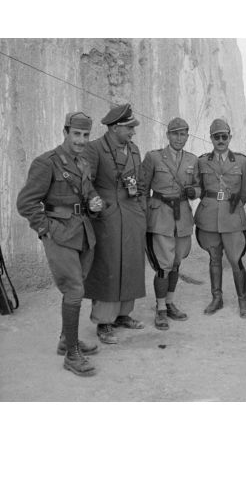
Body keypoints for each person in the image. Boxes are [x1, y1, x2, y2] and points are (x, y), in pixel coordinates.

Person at [17, 112, 103, 376]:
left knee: (76, 287)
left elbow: (87, 193)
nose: (81, 140)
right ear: (65, 132)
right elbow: (26, 203)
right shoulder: (47, 163)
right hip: (60, 235)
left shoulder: (84, 161)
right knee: (75, 290)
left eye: (86, 135)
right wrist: (45, 230)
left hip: (83, 232)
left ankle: (68, 339)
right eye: (76, 134)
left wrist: (95, 202)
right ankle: (71, 355)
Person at [82, 103, 147, 344]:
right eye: (129, 128)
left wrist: (141, 210)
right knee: (107, 266)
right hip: (107, 217)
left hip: (131, 215)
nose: (133, 132)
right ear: (115, 127)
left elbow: (139, 184)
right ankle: (103, 321)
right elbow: (85, 183)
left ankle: (122, 315)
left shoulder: (134, 150)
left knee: (130, 264)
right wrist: (94, 202)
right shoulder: (94, 149)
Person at [142, 117, 201, 329]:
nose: (179, 137)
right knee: (163, 266)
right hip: (160, 217)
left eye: (183, 134)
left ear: (187, 136)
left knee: (176, 262)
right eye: (175, 133)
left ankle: (169, 302)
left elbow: (199, 186)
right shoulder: (154, 157)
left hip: (183, 217)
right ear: (168, 135)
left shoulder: (193, 160)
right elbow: (142, 189)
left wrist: (195, 192)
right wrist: (146, 214)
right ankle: (160, 309)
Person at [195, 118, 246, 318]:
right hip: (209, 217)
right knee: (214, 259)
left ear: (230, 137)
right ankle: (216, 298)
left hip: (232, 216)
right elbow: (200, 189)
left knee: (236, 260)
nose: (221, 140)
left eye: (224, 136)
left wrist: (232, 208)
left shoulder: (242, 161)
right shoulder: (202, 161)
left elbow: (245, 192)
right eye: (216, 136)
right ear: (211, 138)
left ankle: (243, 300)